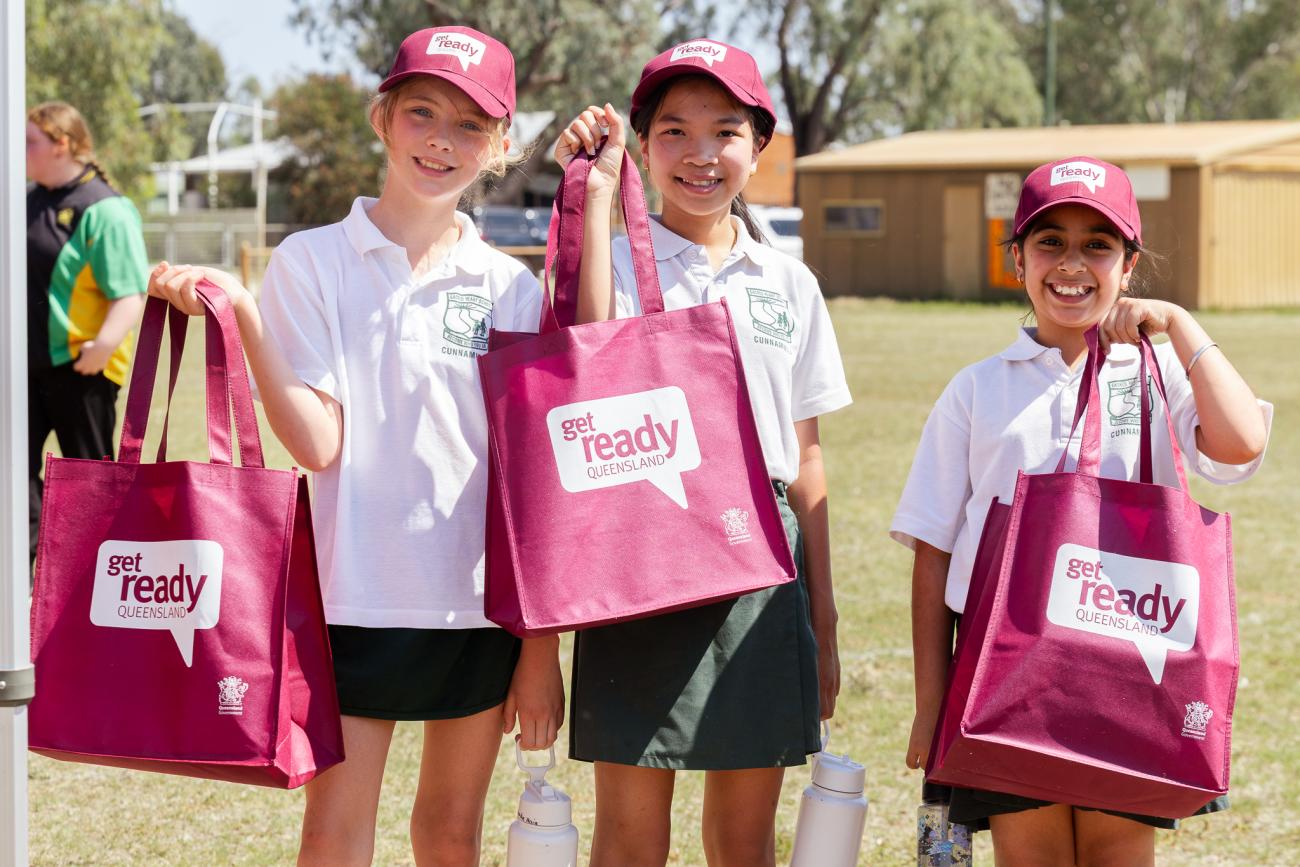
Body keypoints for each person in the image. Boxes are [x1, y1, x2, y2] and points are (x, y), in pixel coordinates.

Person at [148, 26, 562, 866]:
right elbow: (318, 442)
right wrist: (251, 318)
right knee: (334, 837)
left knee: (450, 836)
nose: (441, 140)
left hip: (478, 609)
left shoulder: (511, 289)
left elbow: (528, 487)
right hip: (352, 597)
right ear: (381, 118)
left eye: (470, 125)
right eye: (421, 113)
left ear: (503, 147)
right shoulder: (312, 262)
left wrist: (540, 649)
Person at [892, 156, 1272, 865]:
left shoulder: (1158, 375)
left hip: (1127, 674)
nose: (1072, 263)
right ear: (1017, 259)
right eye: (1050, 241)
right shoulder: (978, 390)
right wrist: (929, 701)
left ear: (1129, 266)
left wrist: (1181, 325)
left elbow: (1243, 440)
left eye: (1098, 244)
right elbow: (933, 548)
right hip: (1005, 679)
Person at [552, 39, 852, 867]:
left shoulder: (789, 284)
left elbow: (808, 459)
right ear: (643, 147)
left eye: (724, 130)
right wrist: (599, 192)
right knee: (629, 837)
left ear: (759, 147)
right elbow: (576, 366)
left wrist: (821, 617)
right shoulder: (607, 263)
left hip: (764, 571)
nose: (699, 154)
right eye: (673, 131)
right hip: (639, 563)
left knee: (744, 839)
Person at [26, 101, 148, 566]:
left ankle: (99, 580)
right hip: (29, 368)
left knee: (92, 479)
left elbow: (130, 293)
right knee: (16, 476)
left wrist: (100, 349)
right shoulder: (25, 201)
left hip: (83, 369)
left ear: (63, 144)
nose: (22, 151)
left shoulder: (105, 210)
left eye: (31, 142)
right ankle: (29, 578)